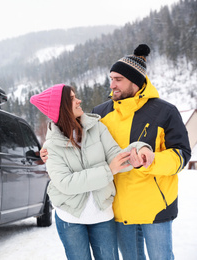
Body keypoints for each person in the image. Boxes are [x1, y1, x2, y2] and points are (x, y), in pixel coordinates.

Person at [41, 44, 191, 260]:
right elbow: (72, 138)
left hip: (155, 207)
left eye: (118, 79)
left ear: (135, 81)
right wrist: (47, 150)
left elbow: (181, 155)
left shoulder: (165, 111)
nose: (112, 85)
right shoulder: (100, 113)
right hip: (119, 209)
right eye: (111, 78)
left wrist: (152, 160)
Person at [30, 84, 154, 260]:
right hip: (70, 218)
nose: (79, 100)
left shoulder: (97, 128)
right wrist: (108, 171)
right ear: (61, 107)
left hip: (102, 214)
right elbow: (66, 183)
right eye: (72, 99)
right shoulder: (51, 147)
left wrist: (140, 149)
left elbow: (116, 156)